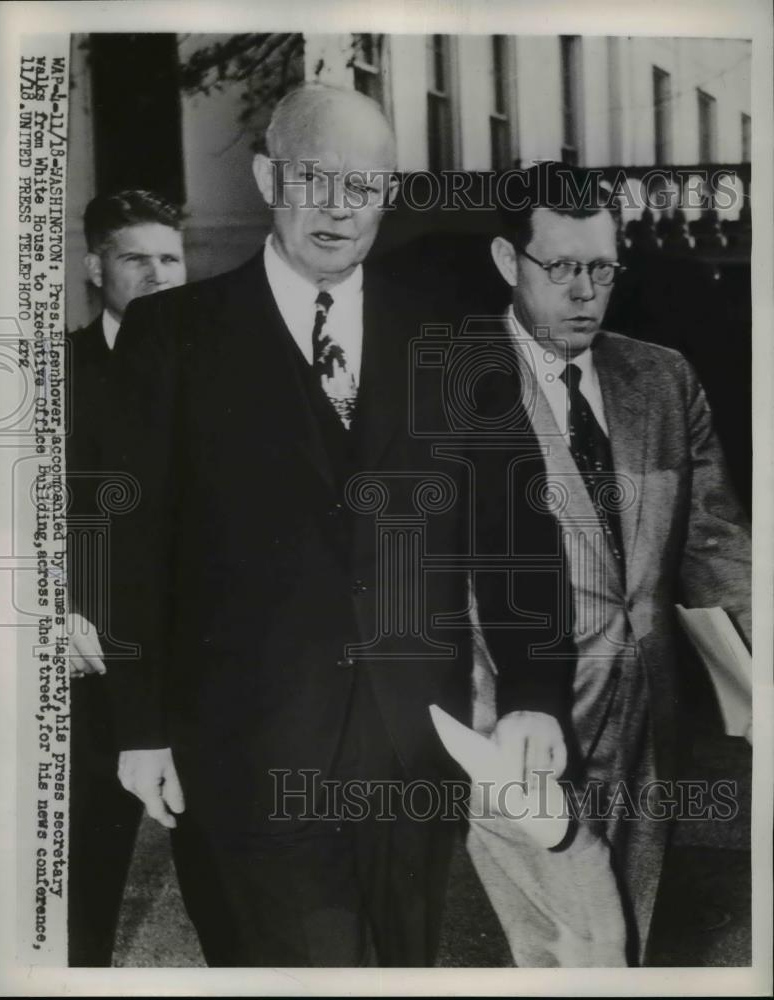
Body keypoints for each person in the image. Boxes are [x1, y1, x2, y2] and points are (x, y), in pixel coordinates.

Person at [98, 85, 575, 967]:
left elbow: (518, 528)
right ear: (265, 179)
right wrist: (140, 726)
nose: (338, 207)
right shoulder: (173, 334)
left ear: (386, 194)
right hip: (241, 752)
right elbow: (129, 548)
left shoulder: (453, 337)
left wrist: (534, 695)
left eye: (363, 185)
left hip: (410, 749)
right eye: (313, 178)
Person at [483, 160, 751, 964]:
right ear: (507, 260)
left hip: (648, 715)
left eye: (601, 269)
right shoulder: (448, 383)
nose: (584, 293)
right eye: (560, 267)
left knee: (628, 936)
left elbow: (711, 541)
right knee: (564, 945)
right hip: (511, 720)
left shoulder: (661, 378)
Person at [66, 190, 229, 966]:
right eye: (137, 259)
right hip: (91, 664)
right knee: (82, 888)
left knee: (225, 888)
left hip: (198, 668)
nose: (160, 275)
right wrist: (57, 612)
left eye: (171, 257)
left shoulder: (226, 370)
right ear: (95, 267)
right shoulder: (54, 370)